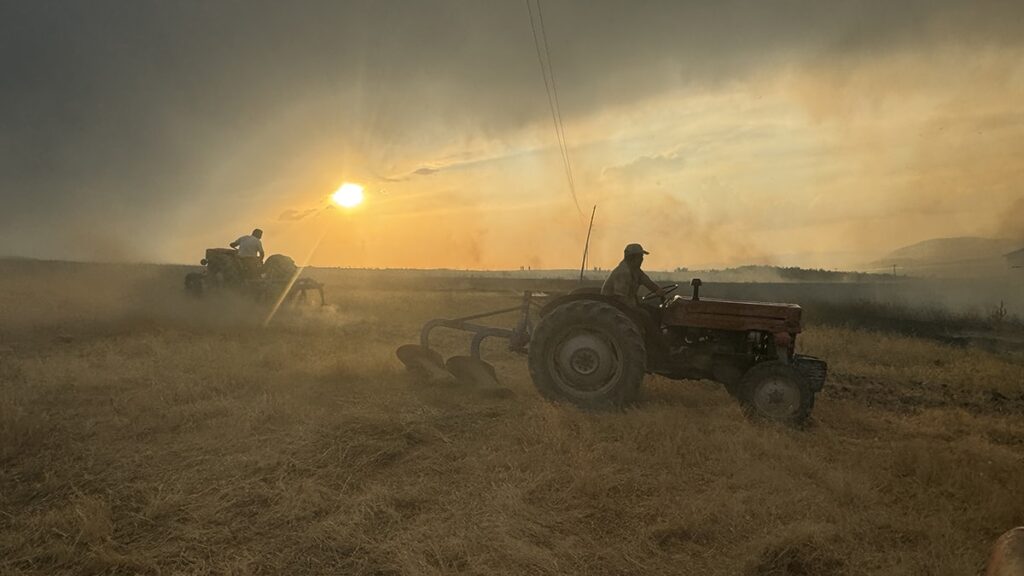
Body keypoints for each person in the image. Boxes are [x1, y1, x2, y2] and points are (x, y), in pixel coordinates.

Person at [601, 243, 666, 308]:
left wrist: (658, 290)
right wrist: (635, 308)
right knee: (644, 315)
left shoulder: (636, 271)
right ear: (631, 258)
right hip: (614, 308)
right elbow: (620, 298)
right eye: (640, 257)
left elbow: (648, 282)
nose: (642, 259)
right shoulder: (623, 273)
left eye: (642, 257)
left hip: (626, 305)